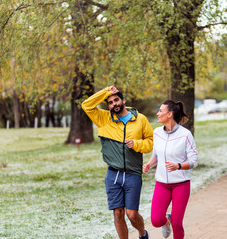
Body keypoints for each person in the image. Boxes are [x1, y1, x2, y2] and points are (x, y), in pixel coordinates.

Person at [82, 86, 153, 239]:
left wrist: (137, 144)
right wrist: (105, 91)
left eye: (116, 100)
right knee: (118, 213)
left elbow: (151, 142)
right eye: (110, 102)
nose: (114, 104)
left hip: (133, 173)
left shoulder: (140, 119)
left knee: (132, 214)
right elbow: (86, 105)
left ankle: (142, 233)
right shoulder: (103, 119)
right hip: (113, 173)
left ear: (123, 100)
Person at [142, 99, 198, 239]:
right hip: (162, 184)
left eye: (161, 111)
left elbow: (194, 161)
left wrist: (178, 166)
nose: (157, 113)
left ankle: (172, 223)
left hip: (181, 184)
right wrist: (149, 164)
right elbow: (156, 154)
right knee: (155, 220)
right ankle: (166, 221)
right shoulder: (157, 133)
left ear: (170, 114)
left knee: (177, 223)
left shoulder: (185, 135)